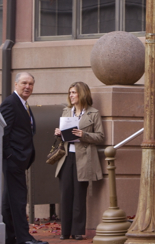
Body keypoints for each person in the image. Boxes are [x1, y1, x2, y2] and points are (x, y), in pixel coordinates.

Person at [0, 72, 48, 244]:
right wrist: (10, 155)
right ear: (16, 84)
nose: (27, 86)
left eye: (31, 84)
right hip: (13, 160)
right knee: (19, 199)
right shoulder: (10, 104)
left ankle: (9, 236)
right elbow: (2, 132)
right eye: (24, 83)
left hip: (19, 160)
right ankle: (23, 238)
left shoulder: (23, 104)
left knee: (10, 200)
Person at [54, 82, 104, 240]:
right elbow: (64, 135)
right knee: (66, 194)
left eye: (74, 92)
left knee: (79, 196)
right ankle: (65, 231)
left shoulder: (93, 114)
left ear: (82, 94)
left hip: (84, 160)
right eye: (70, 93)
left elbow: (101, 137)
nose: (71, 95)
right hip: (67, 157)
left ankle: (77, 231)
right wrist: (58, 133)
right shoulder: (66, 111)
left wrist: (84, 135)